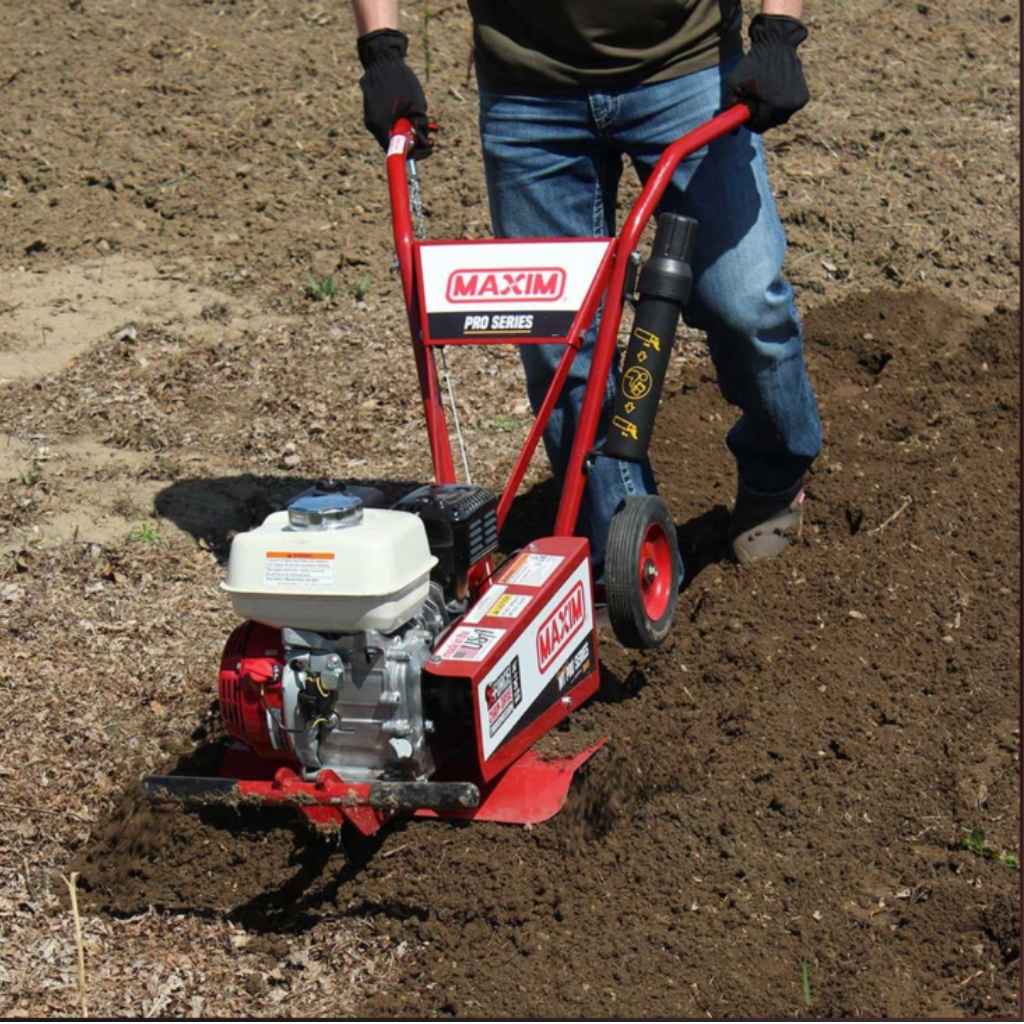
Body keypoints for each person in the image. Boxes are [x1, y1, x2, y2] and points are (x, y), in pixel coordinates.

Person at [351, 0, 822, 578]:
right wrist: (381, 52)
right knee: (560, 345)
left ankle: (776, 475)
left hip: (688, 69)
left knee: (743, 302)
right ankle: (632, 550)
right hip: (528, 92)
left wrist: (777, 34)